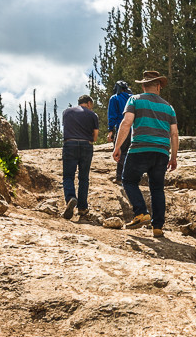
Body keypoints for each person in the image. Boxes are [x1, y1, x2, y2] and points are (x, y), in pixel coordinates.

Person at [112, 71, 178, 238]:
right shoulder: (168, 107)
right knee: (157, 188)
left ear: (142, 85)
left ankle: (141, 212)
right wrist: (174, 157)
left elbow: (126, 123)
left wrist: (117, 147)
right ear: (158, 86)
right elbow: (174, 134)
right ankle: (158, 227)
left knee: (128, 180)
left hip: (140, 149)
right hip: (162, 152)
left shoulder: (135, 100)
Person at [61, 95, 100, 220]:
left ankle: (70, 198)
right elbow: (95, 137)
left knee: (68, 176)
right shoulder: (93, 115)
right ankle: (82, 207)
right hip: (86, 145)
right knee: (84, 177)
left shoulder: (66, 112)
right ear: (89, 103)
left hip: (70, 143)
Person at [107, 80, 132, 183]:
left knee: (119, 152)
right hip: (134, 129)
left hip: (121, 129)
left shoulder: (114, 98)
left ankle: (121, 178)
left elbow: (112, 115)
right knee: (129, 152)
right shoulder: (132, 98)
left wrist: (110, 131)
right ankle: (123, 177)